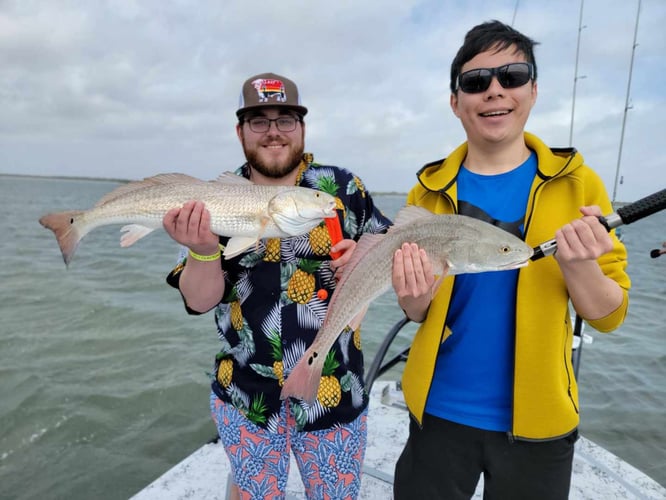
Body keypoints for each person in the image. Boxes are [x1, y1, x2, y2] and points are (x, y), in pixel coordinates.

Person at [391, 21, 630, 500]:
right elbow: (417, 312)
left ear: (534, 90)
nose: (495, 91)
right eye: (476, 82)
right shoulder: (429, 190)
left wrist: (580, 264)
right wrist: (413, 297)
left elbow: (609, 316)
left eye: (513, 76)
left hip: (540, 422)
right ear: (456, 102)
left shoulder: (579, 185)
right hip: (436, 412)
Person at [163, 72, 392, 499]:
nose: (273, 132)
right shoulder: (213, 197)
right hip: (246, 396)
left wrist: (359, 261)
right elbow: (198, 300)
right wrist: (201, 250)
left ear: (302, 128)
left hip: (334, 394)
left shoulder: (343, 188)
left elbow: (391, 254)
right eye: (259, 121)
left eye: (285, 119)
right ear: (240, 132)